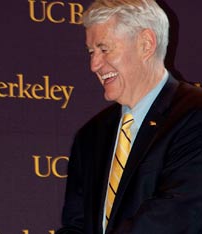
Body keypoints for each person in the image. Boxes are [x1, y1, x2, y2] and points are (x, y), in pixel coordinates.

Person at [56, 0, 202, 233]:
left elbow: (176, 216)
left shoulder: (195, 115)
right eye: (91, 52)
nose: (94, 64)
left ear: (146, 44)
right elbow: (76, 225)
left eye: (104, 49)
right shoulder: (90, 135)